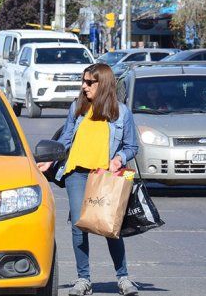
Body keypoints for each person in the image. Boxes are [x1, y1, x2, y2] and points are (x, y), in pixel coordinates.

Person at [37, 63, 140, 296]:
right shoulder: (78, 108)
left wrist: (119, 158)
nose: (84, 87)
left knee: (108, 227)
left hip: (104, 177)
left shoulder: (121, 113)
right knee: (78, 225)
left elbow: (132, 146)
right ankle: (83, 279)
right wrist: (50, 160)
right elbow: (65, 140)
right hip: (76, 173)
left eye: (89, 82)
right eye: (83, 82)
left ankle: (123, 277)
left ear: (102, 84)